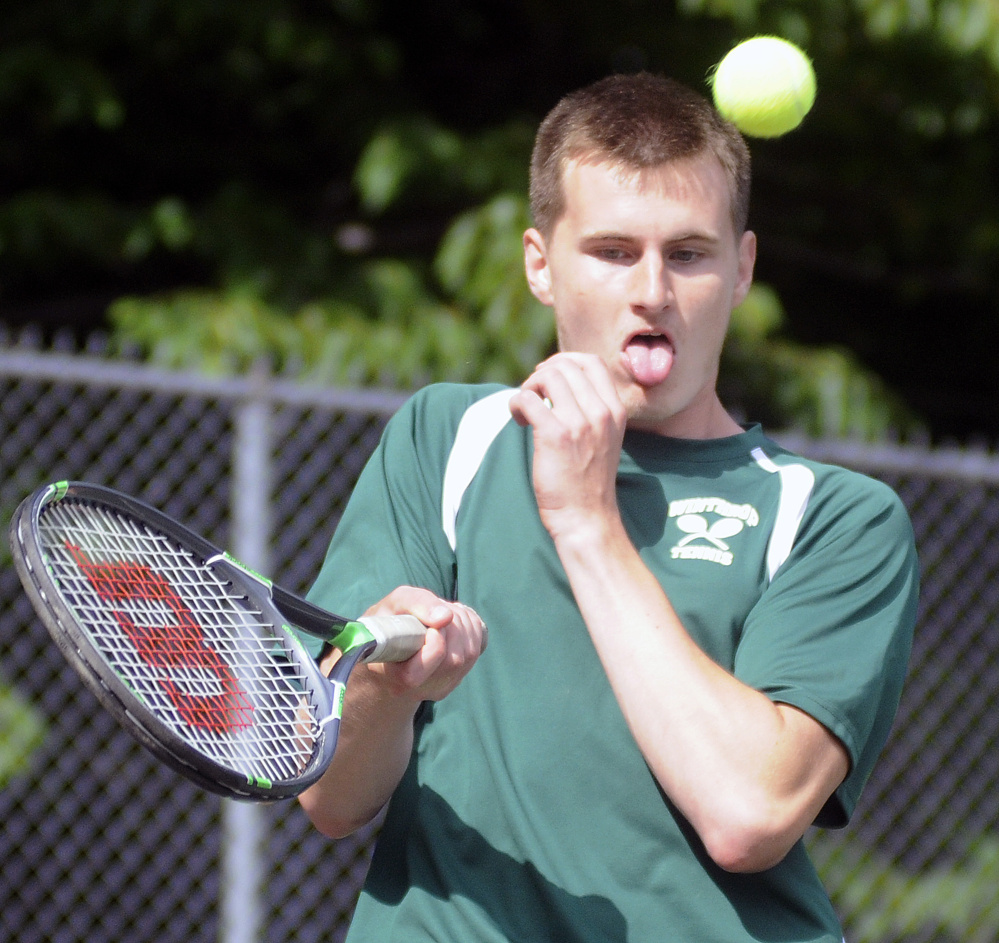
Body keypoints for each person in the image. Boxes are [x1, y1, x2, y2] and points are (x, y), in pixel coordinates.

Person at [298, 72, 919, 942]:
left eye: (690, 253)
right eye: (614, 251)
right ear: (539, 264)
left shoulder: (835, 517)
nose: (653, 290)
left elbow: (748, 811)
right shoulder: (448, 436)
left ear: (741, 269)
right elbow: (326, 797)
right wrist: (382, 683)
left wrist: (584, 518)